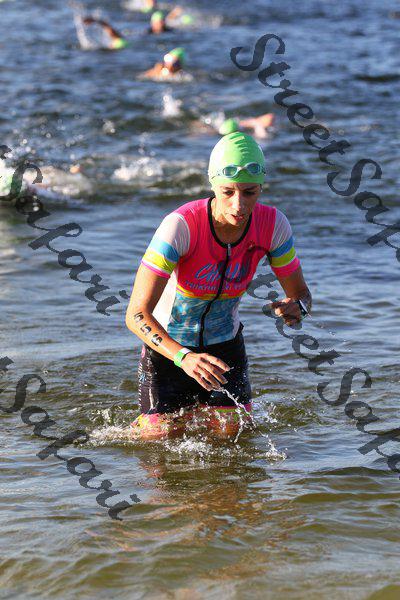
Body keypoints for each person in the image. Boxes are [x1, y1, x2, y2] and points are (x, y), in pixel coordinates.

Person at [126, 132, 312, 440]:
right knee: (158, 440)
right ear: (213, 185)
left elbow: (301, 294)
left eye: (250, 192)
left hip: (225, 348)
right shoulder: (181, 225)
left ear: (261, 187)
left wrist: (298, 308)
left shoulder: (273, 225)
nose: (239, 204)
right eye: (228, 192)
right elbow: (136, 315)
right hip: (169, 351)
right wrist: (184, 357)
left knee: (235, 438)